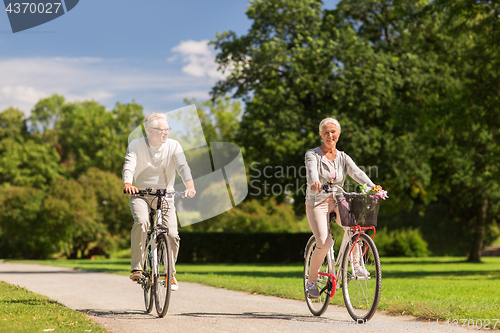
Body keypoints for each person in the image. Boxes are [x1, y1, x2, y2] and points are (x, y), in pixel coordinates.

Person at [123, 113, 196, 291]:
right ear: (150, 131)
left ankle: (170, 273)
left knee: (171, 234)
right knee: (142, 222)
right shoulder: (137, 145)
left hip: (165, 196)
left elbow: (182, 166)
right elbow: (129, 163)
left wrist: (190, 185)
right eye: (162, 130)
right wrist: (127, 183)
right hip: (140, 193)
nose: (166, 133)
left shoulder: (173, 145)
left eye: (167, 129)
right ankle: (137, 268)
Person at [305, 117, 375, 298]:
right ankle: (312, 280)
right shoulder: (312, 154)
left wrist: (372, 186)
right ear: (321, 134)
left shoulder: (343, 157)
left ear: (338, 134)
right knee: (324, 242)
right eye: (326, 132)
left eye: (333, 132)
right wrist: (314, 182)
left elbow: (356, 172)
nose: (330, 135)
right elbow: (312, 169)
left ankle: (357, 265)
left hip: (337, 200)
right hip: (317, 202)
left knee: (354, 229)